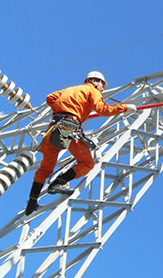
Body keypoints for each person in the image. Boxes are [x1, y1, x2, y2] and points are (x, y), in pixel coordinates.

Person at [26, 71, 137, 215]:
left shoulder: (71, 89)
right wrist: (125, 108)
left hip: (54, 128)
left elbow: (50, 98)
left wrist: (61, 109)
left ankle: (32, 202)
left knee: (45, 169)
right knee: (87, 164)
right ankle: (58, 183)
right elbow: (103, 109)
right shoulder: (93, 91)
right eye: (102, 85)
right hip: (69, 128)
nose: (102, 89)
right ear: (96, 81)